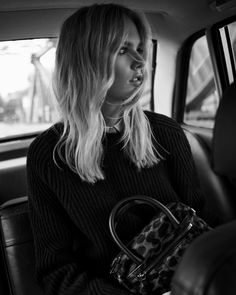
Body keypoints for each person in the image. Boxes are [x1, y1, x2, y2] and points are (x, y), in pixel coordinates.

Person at [27, 3, 210, 295]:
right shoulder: (49, 156)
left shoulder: (166, 133)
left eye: (140, 49)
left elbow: (199, 228)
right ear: (86, 60)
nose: (140, 61)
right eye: (123, 50)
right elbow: (56, 270)